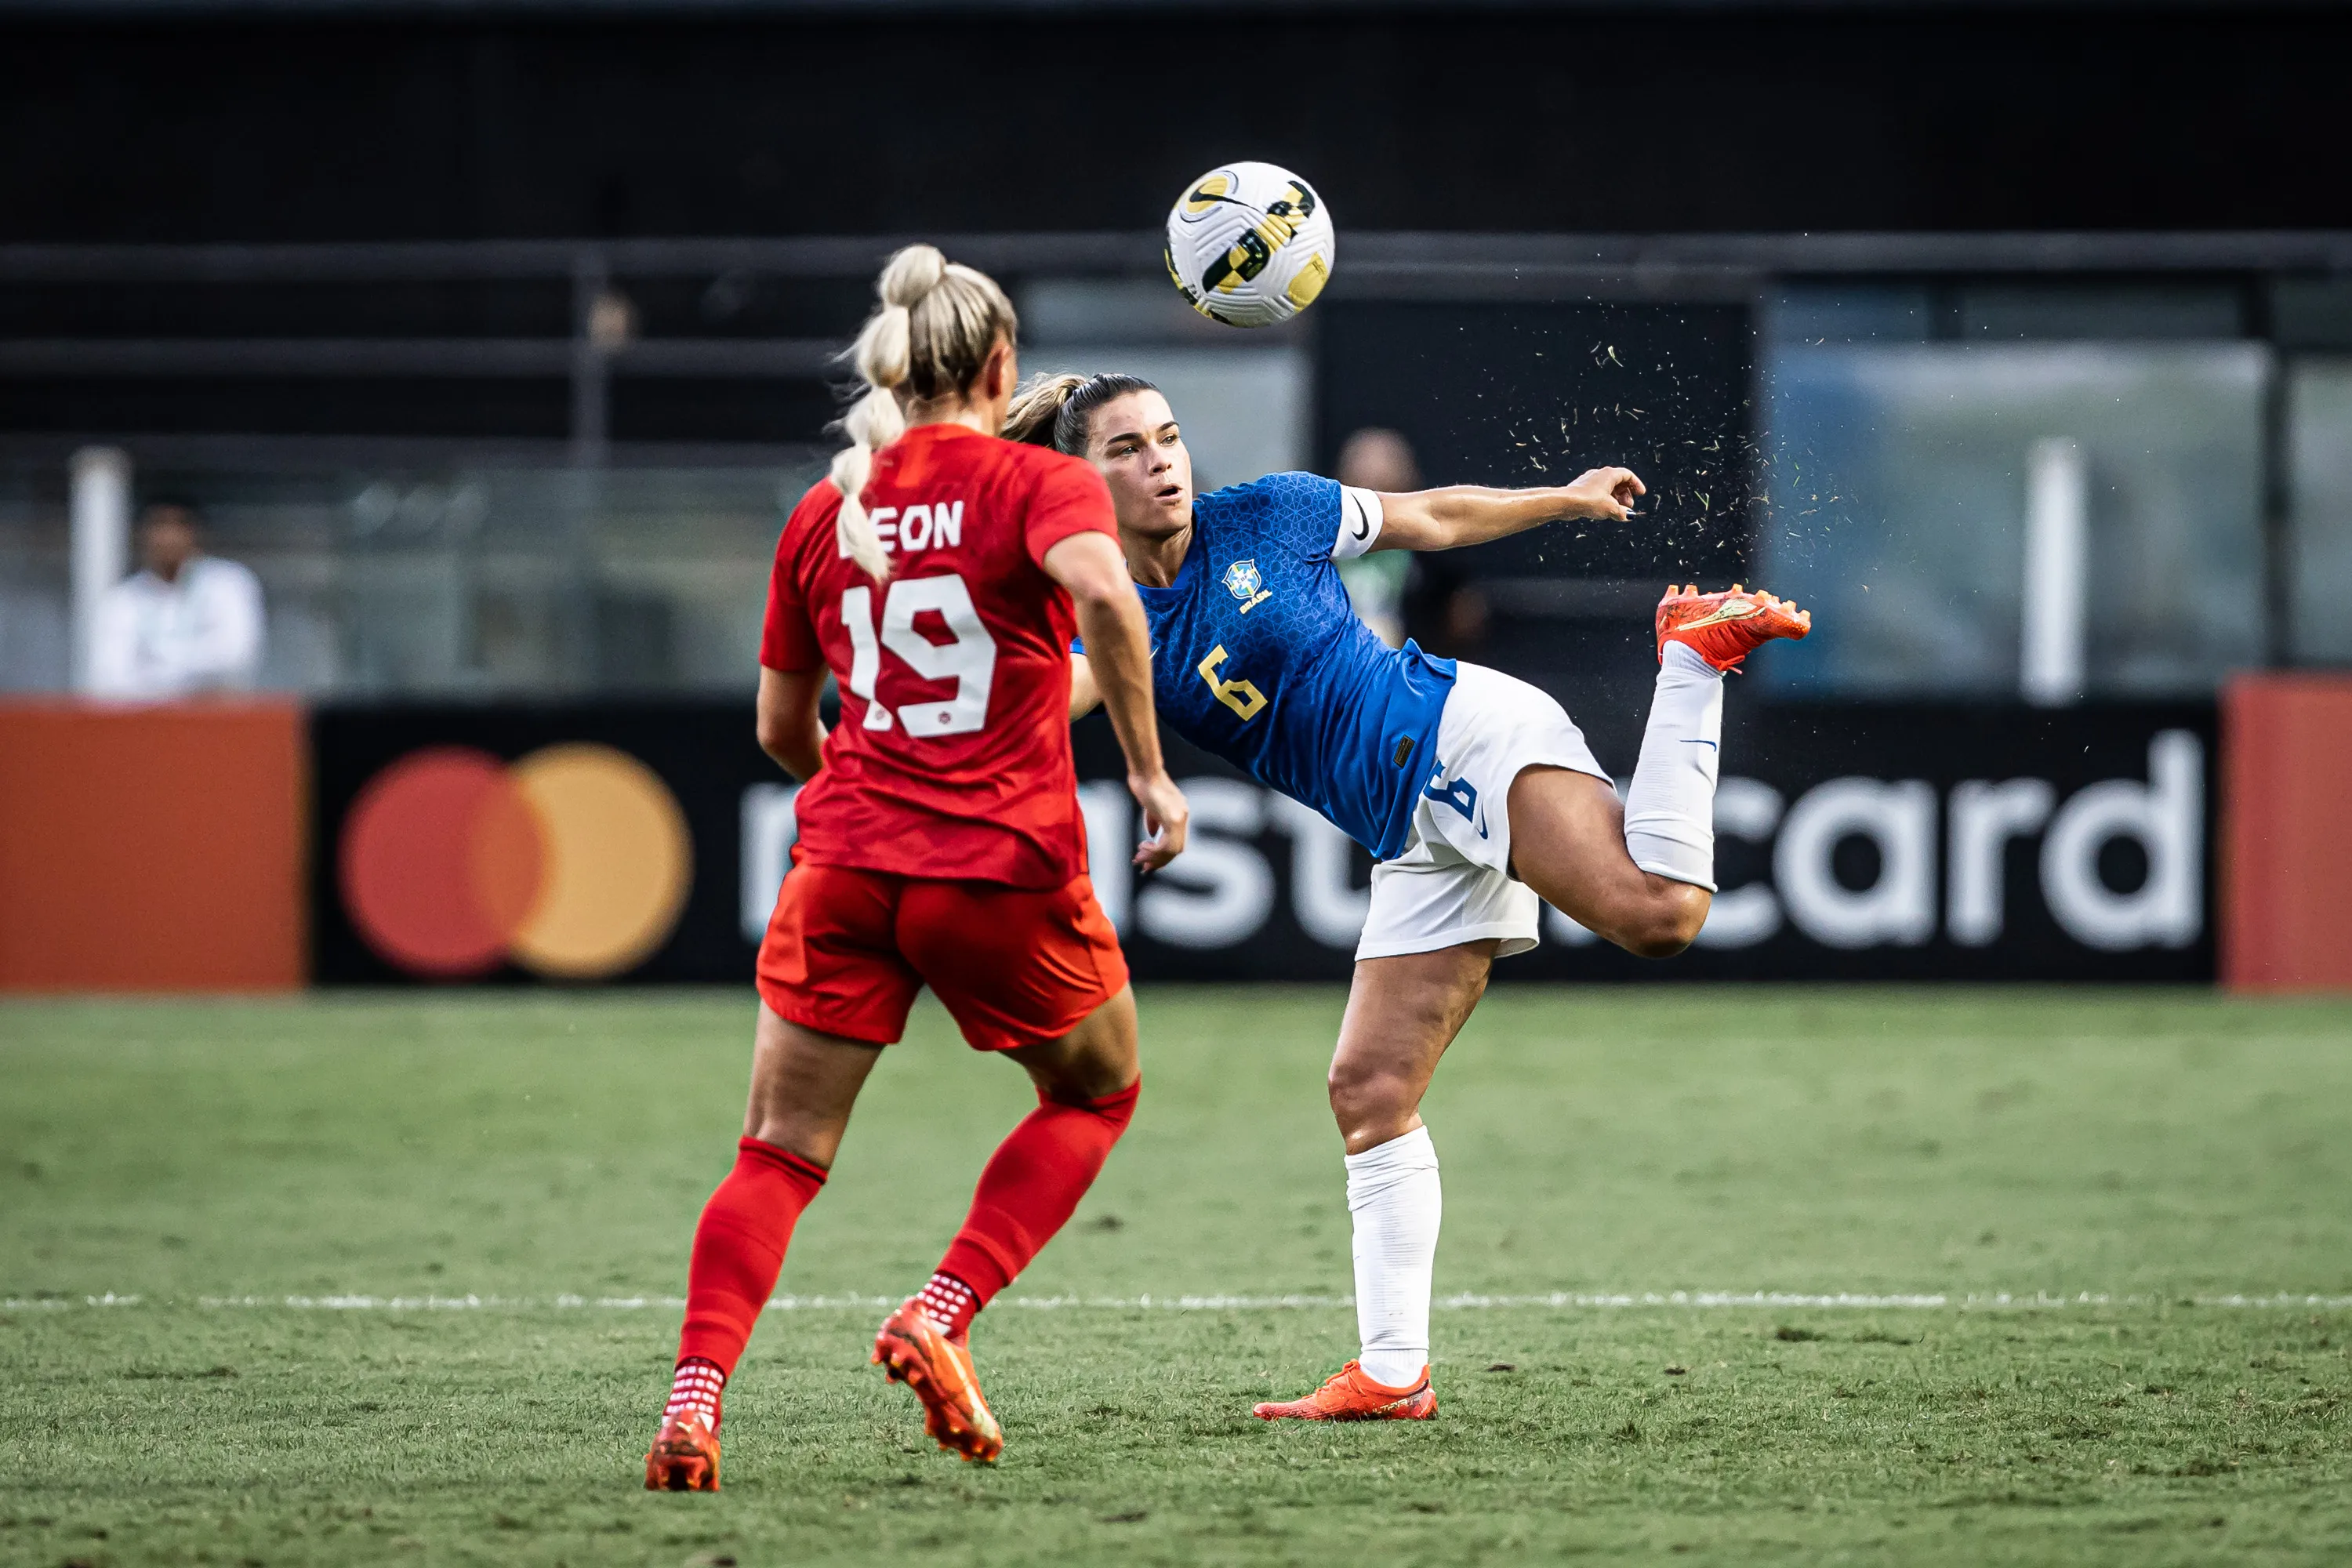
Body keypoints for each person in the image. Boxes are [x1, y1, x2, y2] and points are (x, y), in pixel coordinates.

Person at [1007, 372, 1810, 1422]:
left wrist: (1562, 499)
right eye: (1126, 449)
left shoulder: (1267, 513)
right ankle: (1392, 1374)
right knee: (1370, 1091)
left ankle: (1692, 661)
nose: (1160, 461)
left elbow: (1429, 517)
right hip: (1409, 827)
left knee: (1660, 914)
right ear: (1080, 476)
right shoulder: (1097, 606)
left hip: (1452, 733)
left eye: (1166, 437)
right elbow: (1050, 698)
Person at [644, 249, 1189, 1491]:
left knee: (776, 1155)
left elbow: (784, 733)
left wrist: (869, 788)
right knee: (1095, 1095)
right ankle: (938, 1312)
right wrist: (1153, 774)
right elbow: (1108, 594)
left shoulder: (823, 508)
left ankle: (694, 1403)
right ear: (1002, 368)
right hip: (996, 872)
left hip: (844, 866)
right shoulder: (1036, 482)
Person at [87, 500, 265, 699]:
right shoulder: (122, 600)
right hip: (146, 722)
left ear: (196, 534)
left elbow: (234, 657)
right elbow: (110, 680)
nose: (169, 538)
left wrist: (156, 663)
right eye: (159, 526)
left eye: (179, 526)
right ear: (141, 535)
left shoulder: (228, 583)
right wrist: (192, 673)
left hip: (217, 718)